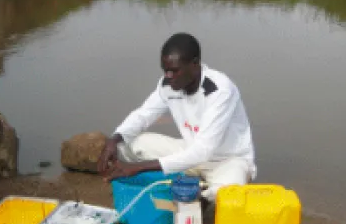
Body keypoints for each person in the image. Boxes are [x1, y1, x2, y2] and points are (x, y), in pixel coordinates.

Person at [97, 32, 256, 202]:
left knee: (225, 195)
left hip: (226, 160)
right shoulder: (169, 85)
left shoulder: (219, 90)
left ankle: (201, 196)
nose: (168, 76)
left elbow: (203, 151)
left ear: (195, 64)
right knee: (131, 145)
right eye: (165, 70)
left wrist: (138, 167)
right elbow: (143, 115)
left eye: (174, 71)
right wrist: (114, 140)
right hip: (190, 150)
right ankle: (194, 188)